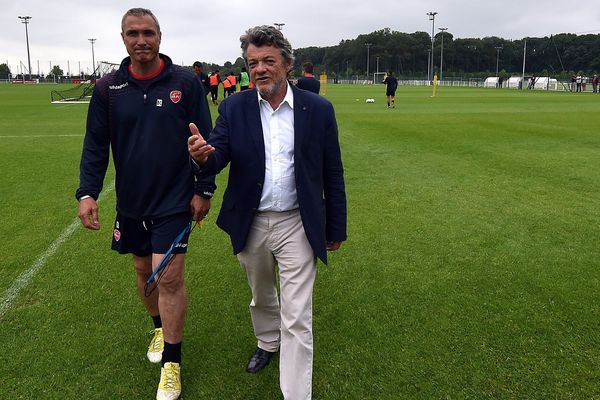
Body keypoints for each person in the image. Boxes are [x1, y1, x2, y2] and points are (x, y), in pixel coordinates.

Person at [188, 25, 347, 400]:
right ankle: (266, 342)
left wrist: (335, 225)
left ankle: (295, 394)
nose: (259, 69)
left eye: (268, 61)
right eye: (253, 62)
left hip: (298, 222)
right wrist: (202, 157)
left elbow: (332, 170)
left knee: (298, 316)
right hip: (252, 220)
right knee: (261, 295)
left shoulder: (318, 110)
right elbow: (218, 154)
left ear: (287, 64)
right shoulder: (234, 106)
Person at [75, 8, 215, 400]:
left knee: (167, 277)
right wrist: (87, 192)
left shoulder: (185, 83)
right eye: (133, 33)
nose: (142, 40)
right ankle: (157, 326)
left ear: (160, 36)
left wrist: (204, 188)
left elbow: (205, 143)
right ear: (123, 39)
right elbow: (95, 146)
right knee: (143, 271)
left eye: (148, 33)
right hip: (132, 202)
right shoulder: (108, 89)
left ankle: (172, 363)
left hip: (174, 200)